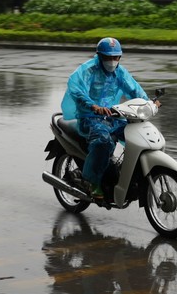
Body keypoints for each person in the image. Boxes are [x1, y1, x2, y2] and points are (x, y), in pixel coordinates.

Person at [61, 37, 158, 200]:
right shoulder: (88, 70)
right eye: (108, 57)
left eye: (116, 57)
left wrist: (149, 102)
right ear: (99, 56)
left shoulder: (120, 72)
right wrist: (93, 106)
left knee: (137, 135)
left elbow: (134, 89)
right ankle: (92, 182)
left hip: (113, 116)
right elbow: (77, 90)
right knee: (103, 141)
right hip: (89, 117)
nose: (112, 61)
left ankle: (125, 173)